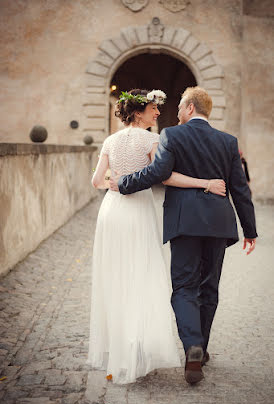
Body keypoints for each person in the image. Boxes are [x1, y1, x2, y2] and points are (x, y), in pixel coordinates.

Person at [110, 86, 257, 385]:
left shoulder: (172, 136)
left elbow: (158, 173)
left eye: (179, 107)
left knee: (184, 287)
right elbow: (240, 189)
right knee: (209, 287)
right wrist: (250, 230)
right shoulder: (228, 142)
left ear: (190, 108)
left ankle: (192, 345)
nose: (175, 113)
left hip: (184, 222)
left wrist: (123, 183)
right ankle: (201, 351)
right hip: (219, 224)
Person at [87, 88, 226, 384]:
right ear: (138, 112)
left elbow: (97, 181)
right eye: (153, 109)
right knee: (140, 276)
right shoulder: (152, 139)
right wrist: (205, 183)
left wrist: (116, 183)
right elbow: (164, 176)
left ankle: (119, 350)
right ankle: (137, 349)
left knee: (116, 277)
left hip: (111, 212)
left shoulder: (110, 140)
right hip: (137, 210)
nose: (158, 113)